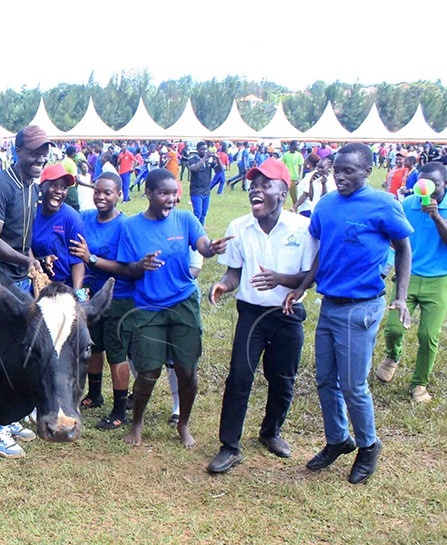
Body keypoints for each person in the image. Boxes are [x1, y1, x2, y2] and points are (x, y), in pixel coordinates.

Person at [285, 143, 413, 485]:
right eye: (337, 169)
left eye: (349, 171)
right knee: (325, 379)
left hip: (362, 308)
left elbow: (403, 248)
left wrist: (401, 296)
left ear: (366, 171)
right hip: (329, 305)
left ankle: (369, 445)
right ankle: (338, 440)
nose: (340, 176)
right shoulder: (326, 205)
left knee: (354, 385)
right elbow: (320, 253)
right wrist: (302, 287)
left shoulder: (384, 204)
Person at [206, 158, 318, 473]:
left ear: (283, 192)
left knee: (282, 379)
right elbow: (233, 273)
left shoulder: (303, 228)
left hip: (287, 313)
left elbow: (311, 276)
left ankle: (271, 432)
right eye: (253, 184)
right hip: (251, 314)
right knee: (240, 377)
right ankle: (229, 446)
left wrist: (281, 280)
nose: (256, 189)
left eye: (265, 184)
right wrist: (223, 286)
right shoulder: (239, 227)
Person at [115, 169, 232, 449]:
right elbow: (126, 269)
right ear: (149, 194)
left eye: (174, 194)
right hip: (148, 307)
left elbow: (202, 246)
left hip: (183, 302)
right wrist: (140, 266)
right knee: (148, 372)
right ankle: (138, 422)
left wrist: (211, 248)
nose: (171, 199)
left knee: (187, 370)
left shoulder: (185, 219)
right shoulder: (131, 227)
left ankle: (183, 424)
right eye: (164, 193)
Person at [0, 125, 52, 458]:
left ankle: (7, 417)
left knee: (17, 351)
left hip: (21, 277)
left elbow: (22, 237)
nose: (40, 157)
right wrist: (26, 260)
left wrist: (34, 261)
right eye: (34, 151)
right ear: (18, 151)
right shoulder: (0, 186)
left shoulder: (32, 187)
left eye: (44, 151)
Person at [375, 162, 447, 403]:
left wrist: (436, 215)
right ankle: (392, 356)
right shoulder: (407, 204)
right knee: (394, 327)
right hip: (409, 276)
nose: (427, 189)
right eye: (422, 183)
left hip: (438, 280)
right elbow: (396, 239)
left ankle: (420, 384)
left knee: (428, 335)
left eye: (434, 184)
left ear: (444, 184)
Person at [69, 173, 133, 428]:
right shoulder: (84, 218)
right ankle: (95, 394)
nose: (101, 197)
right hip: (92, 296)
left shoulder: (124, 226)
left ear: (119, 195)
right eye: (97, 191)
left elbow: (128, 268)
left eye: (108, 192)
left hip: (119, 296)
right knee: (93, 346)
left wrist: (90, 258)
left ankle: (120, 409)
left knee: (116, 353)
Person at [31, 164, 85, 291]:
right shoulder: (32, 213)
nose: (59, 191)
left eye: (64, 187)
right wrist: (41, 261)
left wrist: (76, 294)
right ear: (42, 187)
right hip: (38, 284)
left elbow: (78, 261)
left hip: (65, 286)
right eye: (53, 185)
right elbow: (26, 248)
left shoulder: (72, 218)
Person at [186, 142, 215, 225]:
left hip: (206, 191)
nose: (204, 151)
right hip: (196, 191)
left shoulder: (209, 160)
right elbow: (194, 168)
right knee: (197, 214)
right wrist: (205, 157)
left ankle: (200, 233)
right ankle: (193, 231)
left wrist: (218, 159)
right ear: (197, 150)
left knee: (203, 215)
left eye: (206, 149)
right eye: (202, 149)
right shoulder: (193, 158)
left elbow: (220, 169)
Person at [280, 141, 304, 207]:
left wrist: (299, 177)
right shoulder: (285, 155)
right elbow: (282, 165)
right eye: (297, 145)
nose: (298, 147)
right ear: (292, 145)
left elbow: (301, 167)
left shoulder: (299, 155)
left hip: (295, 179)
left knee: (294, 196)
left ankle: (295, 208)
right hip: (286, 178)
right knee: (283, 195)